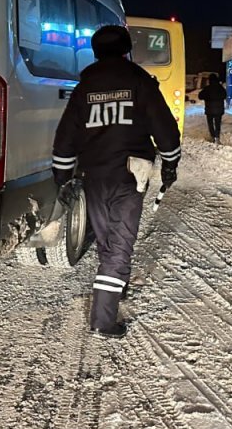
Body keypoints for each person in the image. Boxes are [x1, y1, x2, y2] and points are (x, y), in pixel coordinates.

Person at [52, 25, 181, 339]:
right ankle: (103, 320)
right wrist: (170, 164)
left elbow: (65, 138)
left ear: (96, 53)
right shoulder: (140, 82)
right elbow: (164, 128)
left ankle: (114, 286)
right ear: (126, 50)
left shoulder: (84, 88)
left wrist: (62, 177)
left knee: (109, 238)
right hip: (129, 175)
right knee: (120, 246)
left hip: (93, 174)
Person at [197, 73, 227, 143]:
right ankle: (217, 137)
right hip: (219, 109)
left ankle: (212, 136)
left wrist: (207, 97)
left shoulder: (207, 88)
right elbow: (224, 95)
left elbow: (200, 96)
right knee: (217, 123)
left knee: (210, 124)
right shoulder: (220, 88)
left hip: (209, 110)